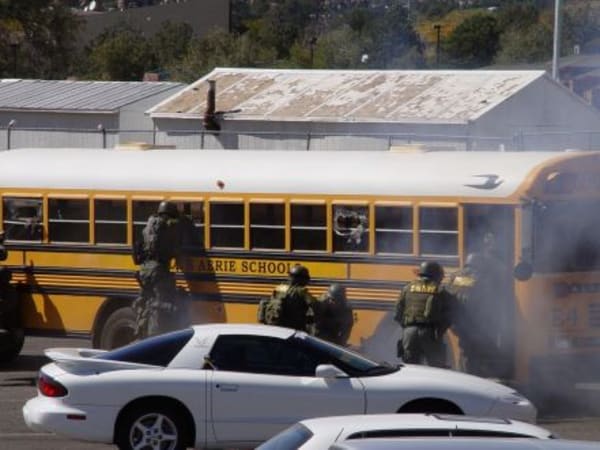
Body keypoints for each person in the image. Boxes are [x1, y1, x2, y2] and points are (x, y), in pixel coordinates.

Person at [446, 251, 512, 378]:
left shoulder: (455, 277)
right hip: (475, 323)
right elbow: (489, 302)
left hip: (459, 323)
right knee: (476, 353)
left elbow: (447, 296)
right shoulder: (482, 279)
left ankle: (463, 375)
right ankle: (473, 379)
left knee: (465, 351)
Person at [132, 201, 182, 339]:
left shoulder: (150, 225)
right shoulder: (168, 226)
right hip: (158, 270)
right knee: (160, 306)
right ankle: (154, 337)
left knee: (145, 302)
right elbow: (174, 248)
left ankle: (139, 332)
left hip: (145, 270)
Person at [393, 261, 454, 367]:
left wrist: (407, 328)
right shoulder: (440, 290)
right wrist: (440, 330)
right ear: (436, 275)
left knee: (411, 368)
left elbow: (397, 313)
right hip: (430, 334)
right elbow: (450, 314)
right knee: (436, 369)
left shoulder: (407, 288)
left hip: (409, 333)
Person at [260, 264, 317, 332]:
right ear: (300, 279)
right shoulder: (301, 291)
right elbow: (315, 305)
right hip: (293, 328)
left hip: (278, 327)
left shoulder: (279, 288)